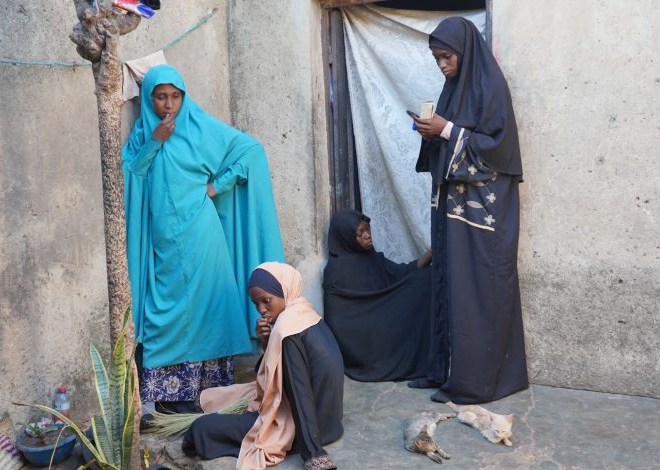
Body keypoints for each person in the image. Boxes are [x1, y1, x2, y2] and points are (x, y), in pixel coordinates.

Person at [122, 65, 285, 414]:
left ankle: (208, 391)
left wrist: (217, 186)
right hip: (163, 239)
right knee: (166, 305)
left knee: (206, 303)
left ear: (184, 97)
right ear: (149, 100)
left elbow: (250, 152)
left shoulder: (200, 127)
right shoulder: (141, 135)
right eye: (161, 97)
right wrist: (155, 142)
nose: (169, 105)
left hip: (201, 232)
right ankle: (169, 395)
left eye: (175, 96)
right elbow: (132, 174)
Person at [410, 17, 529, 404]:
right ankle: (444, 371)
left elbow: (499, 148)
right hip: (452, 211)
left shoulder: (491, 87)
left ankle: (475, 381)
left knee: (476, 290)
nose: (442, 65)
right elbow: (451, 138)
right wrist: (432, 131)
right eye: (436, 59)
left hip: (481, 217)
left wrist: (446, 131)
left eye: (446, 57)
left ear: (465, 51)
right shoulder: (452, 90)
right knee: (448, 282)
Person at [182, 262, 344, 470]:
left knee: (202, 428)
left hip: (306, 427)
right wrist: (266, 342)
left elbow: (299, 393)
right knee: (226, 395)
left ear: (284, 292)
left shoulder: (287, 331)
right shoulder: (303, 312)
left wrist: (314, 454)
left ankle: (189, 419)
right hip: (330, 422)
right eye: (256, 303)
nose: (261, 310)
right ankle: (180, 410)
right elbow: (275, 373)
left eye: (266, 301)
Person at [322, 208, 435, 383]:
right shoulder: (337, 272)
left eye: (368, 229)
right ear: (346, 236)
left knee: (428, 277)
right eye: (361, 232)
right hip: (365, 341)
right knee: (423, 283)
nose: (368, 235)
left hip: (383, 321)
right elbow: (339, 323)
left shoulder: (369, 257)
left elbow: (400, 273)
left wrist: (430, 254)